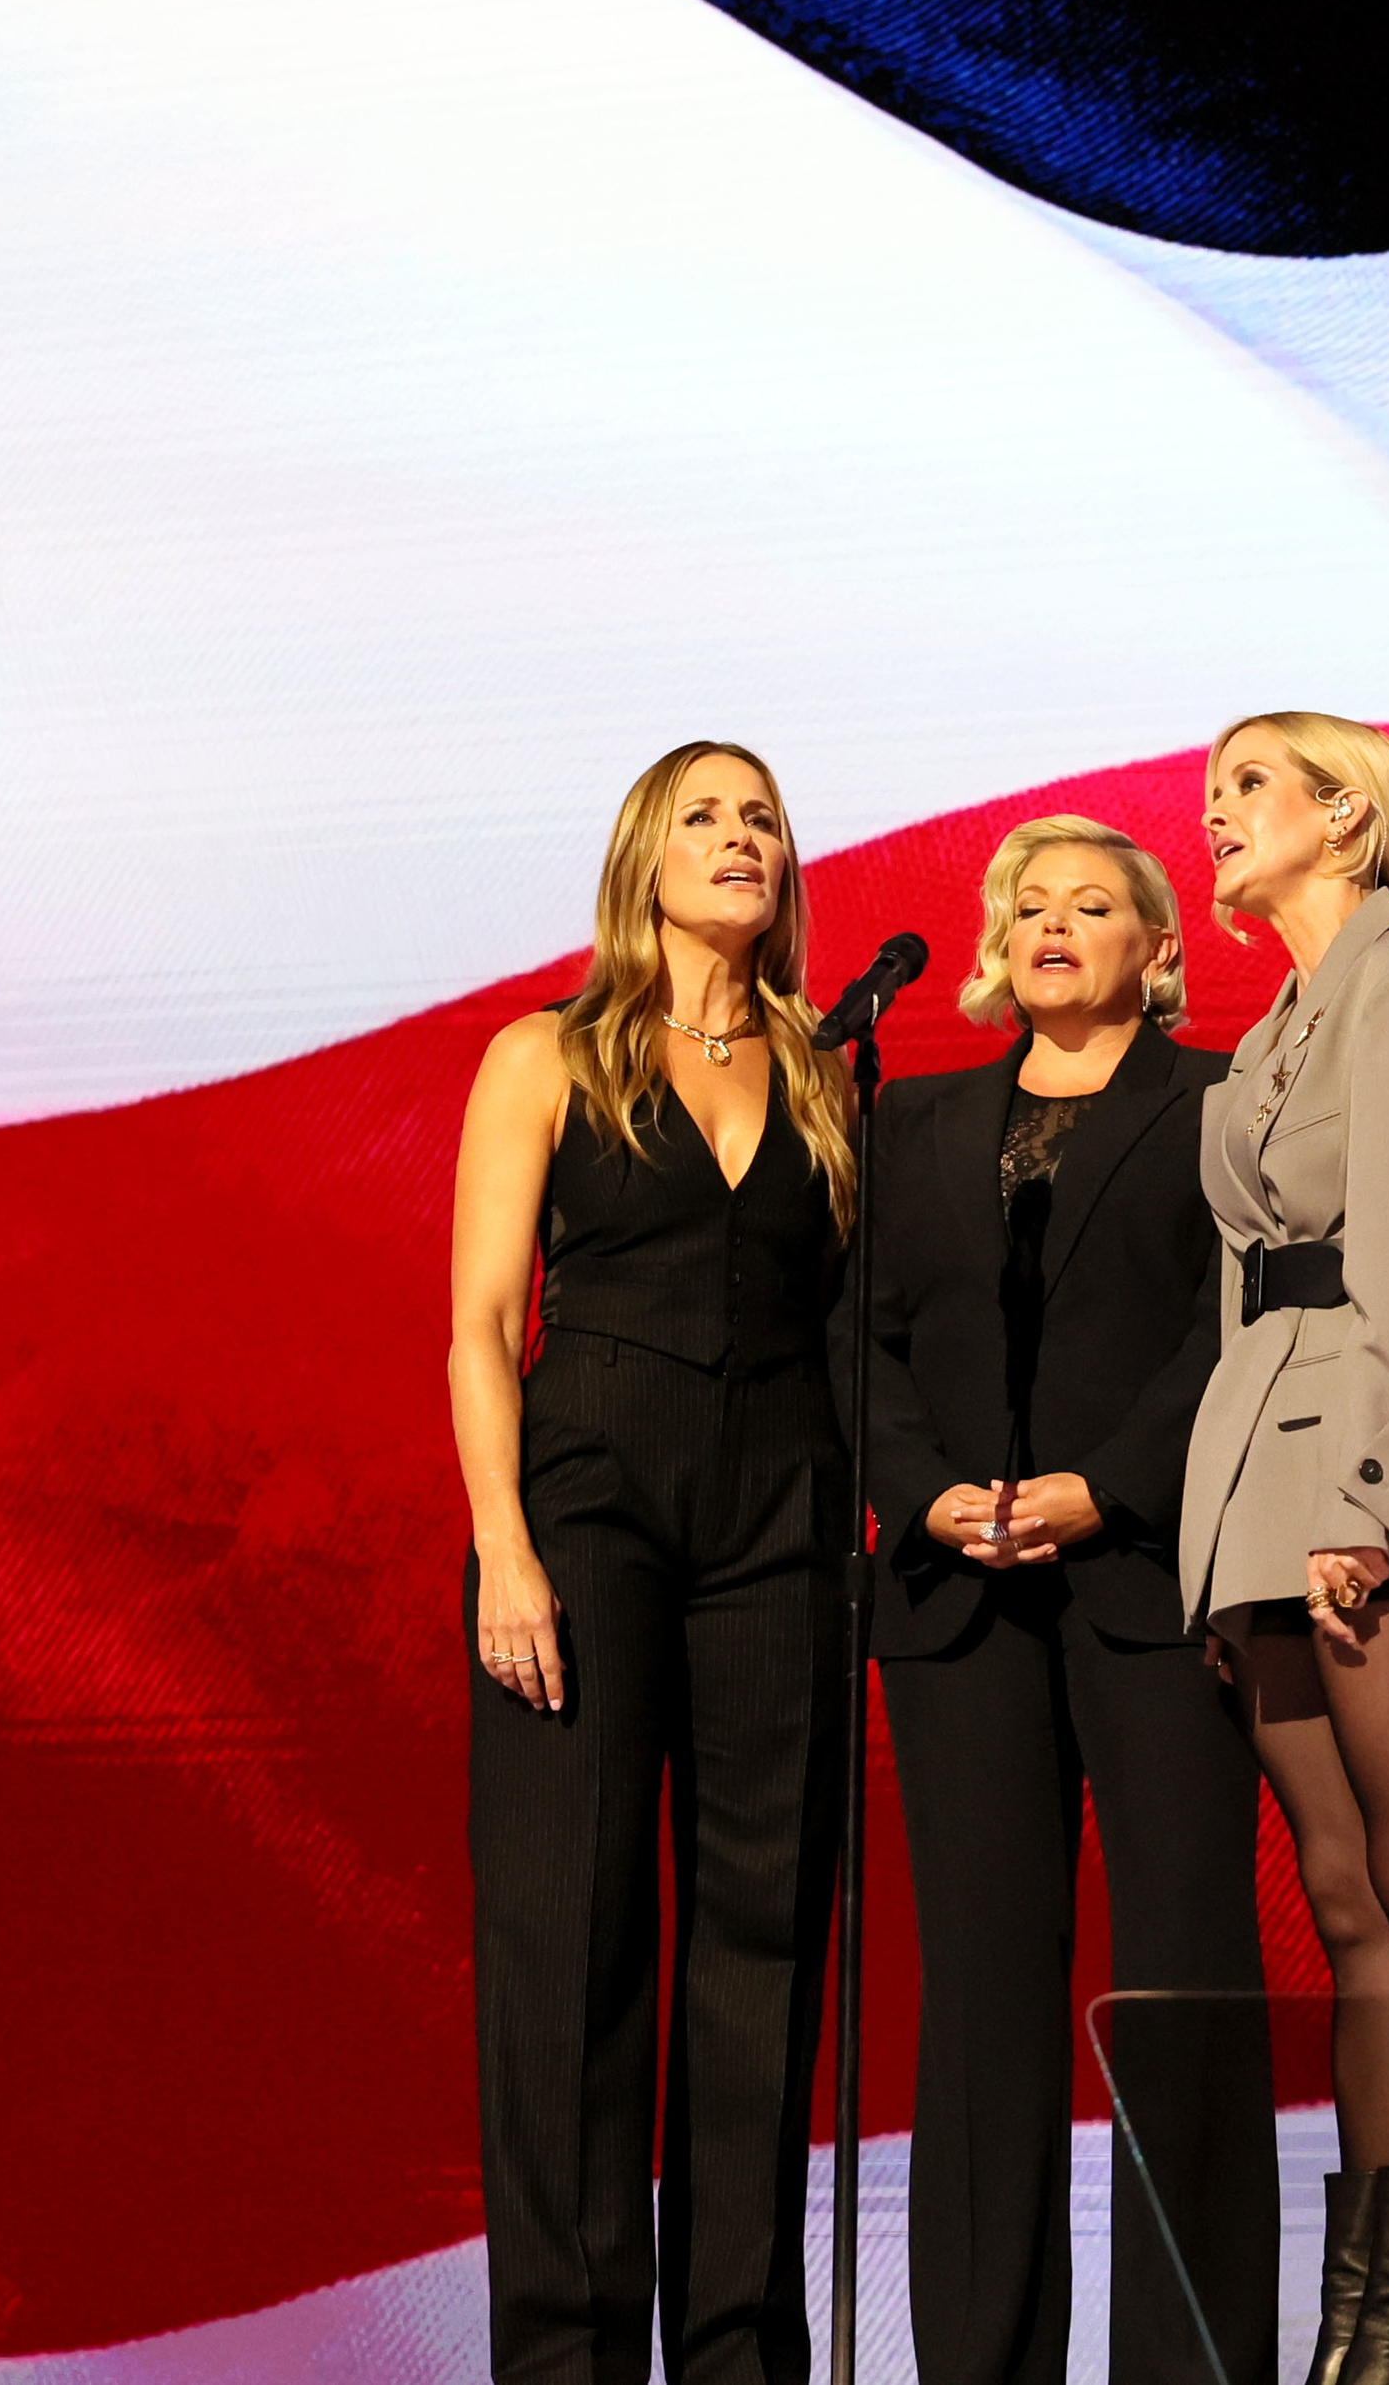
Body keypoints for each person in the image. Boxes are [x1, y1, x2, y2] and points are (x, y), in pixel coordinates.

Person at [448, 742, 859, 2385]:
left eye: (761, 814)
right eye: (704, 813)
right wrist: (505, 1549)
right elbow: (483, 1324)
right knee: (570, 1941)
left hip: (785, 1520)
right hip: (587, 1506)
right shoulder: (544, 1053)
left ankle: (741, 2354)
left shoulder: (830, 1069)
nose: (739, 835)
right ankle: (567, 2359)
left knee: (761, 1944)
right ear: (643, 858)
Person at [854, 817, 1278, 2385]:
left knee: (1180, 1978)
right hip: (958, 1598)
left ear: (1156, 952)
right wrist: (924, 1485)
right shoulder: (913, 1121)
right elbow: (867, 1337)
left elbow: (1238, 1322)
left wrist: (1109, 1481)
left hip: (1149, 1582)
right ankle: (980, 2357)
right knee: (980, 1997)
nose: (1051, 922)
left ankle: (1190, 2360)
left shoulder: (1220, 1098)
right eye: (1025, 904)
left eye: (1092, 904)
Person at [1178, 715, 1389, 2385]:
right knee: (1347, 1903)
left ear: (1348, 814)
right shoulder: (1265, 1035)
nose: (1214, 812)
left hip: (1377, 1471)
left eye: (1250, 784)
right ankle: (1356, 2328)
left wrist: (1381, 1505)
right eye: (1214, 790)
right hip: (1260, 1479)